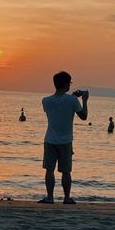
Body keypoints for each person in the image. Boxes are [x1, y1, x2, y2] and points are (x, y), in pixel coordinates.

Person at [39, 71, 88, 205]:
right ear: (66, 84)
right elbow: (83, 116)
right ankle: (66, 198)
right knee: (66, 171)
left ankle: (50, 197)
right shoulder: (72, 100)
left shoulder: (46, 101)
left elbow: (60, 105)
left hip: (50, 139)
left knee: (49, 170)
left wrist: (72, 97)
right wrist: (84, 100)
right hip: (66, 141)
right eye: (70, 83)